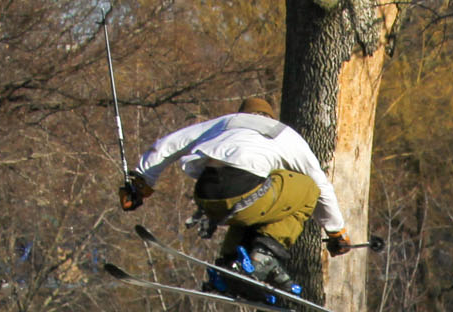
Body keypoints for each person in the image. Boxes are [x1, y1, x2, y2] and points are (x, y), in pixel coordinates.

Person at [117, 98, 352, 301]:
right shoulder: (283, 133)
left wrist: (141, 182)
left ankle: (229, 264)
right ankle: (262, 259)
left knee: (259, 203)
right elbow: (321, 186)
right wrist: (336, 232)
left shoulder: (225, 123)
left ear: (242, 113)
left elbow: (167, 145)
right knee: (306, 187)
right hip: (243, 190)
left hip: (206, 194)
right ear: (269, 116)